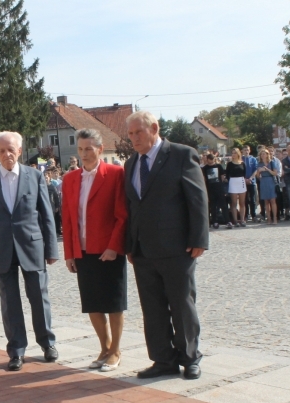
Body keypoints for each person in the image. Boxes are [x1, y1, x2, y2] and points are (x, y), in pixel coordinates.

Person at [123, 111, 208, 381]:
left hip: (177, 246)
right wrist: (130, 243)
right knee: (153, 307)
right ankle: (163, 359)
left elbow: (197, 198)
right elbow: (132, 206)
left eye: (139, 132)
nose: (134, 138)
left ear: (154, 128)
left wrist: (199, 238)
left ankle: (190, 357)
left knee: (182, 304)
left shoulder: (181, 155)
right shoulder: (130, 164)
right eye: (131, 134)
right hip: (143, 249)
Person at [0, 131, 59, 372]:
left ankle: (47, 343)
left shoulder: (34, 176)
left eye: (11, 149)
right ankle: (17, 350)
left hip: (32, 245)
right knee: (10, 302)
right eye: (1, 150)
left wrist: (51, 248)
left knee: (39, 298)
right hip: (0, 248)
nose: (7, 154)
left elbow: (46, 215)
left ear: (19, 151)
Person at [61, 128, 127, 372]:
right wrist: (69, 252)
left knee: (113, 302)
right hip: (83, 250)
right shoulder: (70, 179)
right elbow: (68, 219)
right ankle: (104, 347)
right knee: (92, 303)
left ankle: (116, 350)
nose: (84, 154)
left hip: (109, 250)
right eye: (80, 149)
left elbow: (122, 215)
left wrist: (114, 247)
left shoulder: (115, 174)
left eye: (88, 149)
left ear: (100, 149)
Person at [202, 154, 228, 229]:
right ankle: (214, 221)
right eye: (209, 159)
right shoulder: (204, 168)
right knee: (212, 206)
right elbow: (204, 179)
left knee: (223, 205)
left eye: (212, 159)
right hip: (210, 189)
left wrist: (220, 184)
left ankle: (227, 221)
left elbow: (222, 177)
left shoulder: (219, 166)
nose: (211, 161)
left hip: (219, 188)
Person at [256, 150, 280, 225]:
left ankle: (275, 218)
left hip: (271, 181)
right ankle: (268, 218)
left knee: (272, 200)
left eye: (264, 154)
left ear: (267, 154)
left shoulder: (272, 162)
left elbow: (275, 173)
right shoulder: (259, 164)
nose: (262, 155)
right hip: (263, 181)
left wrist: (267, 169)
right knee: (266, 201)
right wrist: (259, 172)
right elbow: (257, 176)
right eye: (261, 154)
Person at [225, 148, 248, 227]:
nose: (233, 154)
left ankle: (242, 220)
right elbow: (227, 175)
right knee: (234, 203)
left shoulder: (242, 163)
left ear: (238, 154)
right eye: (232, 153)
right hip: (233, 182)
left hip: (241, 181)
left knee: (242, 203)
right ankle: (235, 221)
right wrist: (230, 181)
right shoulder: (229, 164)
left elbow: (244, 174)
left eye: (235, 153)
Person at [242, 146, 259, 222]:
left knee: (252, 199)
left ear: (250, 150)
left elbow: (256, 169)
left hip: (252, 182)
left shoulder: (253, 159)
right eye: (245, 150)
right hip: (243, 182)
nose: (246, 151)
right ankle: (245, 215)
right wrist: (244, 179)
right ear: (242, 151)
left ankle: (254, 215)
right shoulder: (240, 159)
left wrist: (251, 178)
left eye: (247, 150)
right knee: (244, 200)